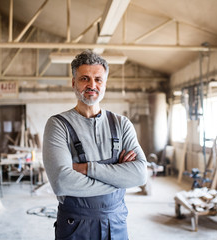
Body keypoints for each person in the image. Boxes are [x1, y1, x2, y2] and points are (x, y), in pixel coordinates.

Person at [43, 50, 147, 240]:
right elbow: (62, 182)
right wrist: (119, 177)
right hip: (74, 226)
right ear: (74, 83)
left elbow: (140, 174)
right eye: (85, 78)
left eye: (98, 79)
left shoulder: (122, 124)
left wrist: (86, 168)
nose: (92, 85)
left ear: (105, 84)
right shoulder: (58, 125)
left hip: (115, 223)